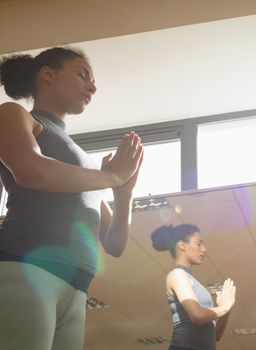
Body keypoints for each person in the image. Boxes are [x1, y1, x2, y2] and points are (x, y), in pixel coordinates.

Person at [0, 46, 144, 350]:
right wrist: (113, 177)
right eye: (83, 75)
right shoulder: (15, 115)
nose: (92, 87)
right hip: (27, 270)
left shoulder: (88, 164)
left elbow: (114, 244)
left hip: (78, 287)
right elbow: (32, 172)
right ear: (48, 74)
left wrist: (124, 193)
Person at [151, 224, 236, 350]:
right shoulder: (177, 275)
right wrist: (224, 307)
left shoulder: (194, 283)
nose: (204, 249)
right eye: (199, 244)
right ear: (182, 245)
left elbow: (215, 336)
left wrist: (225, 312)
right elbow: (197, 316)